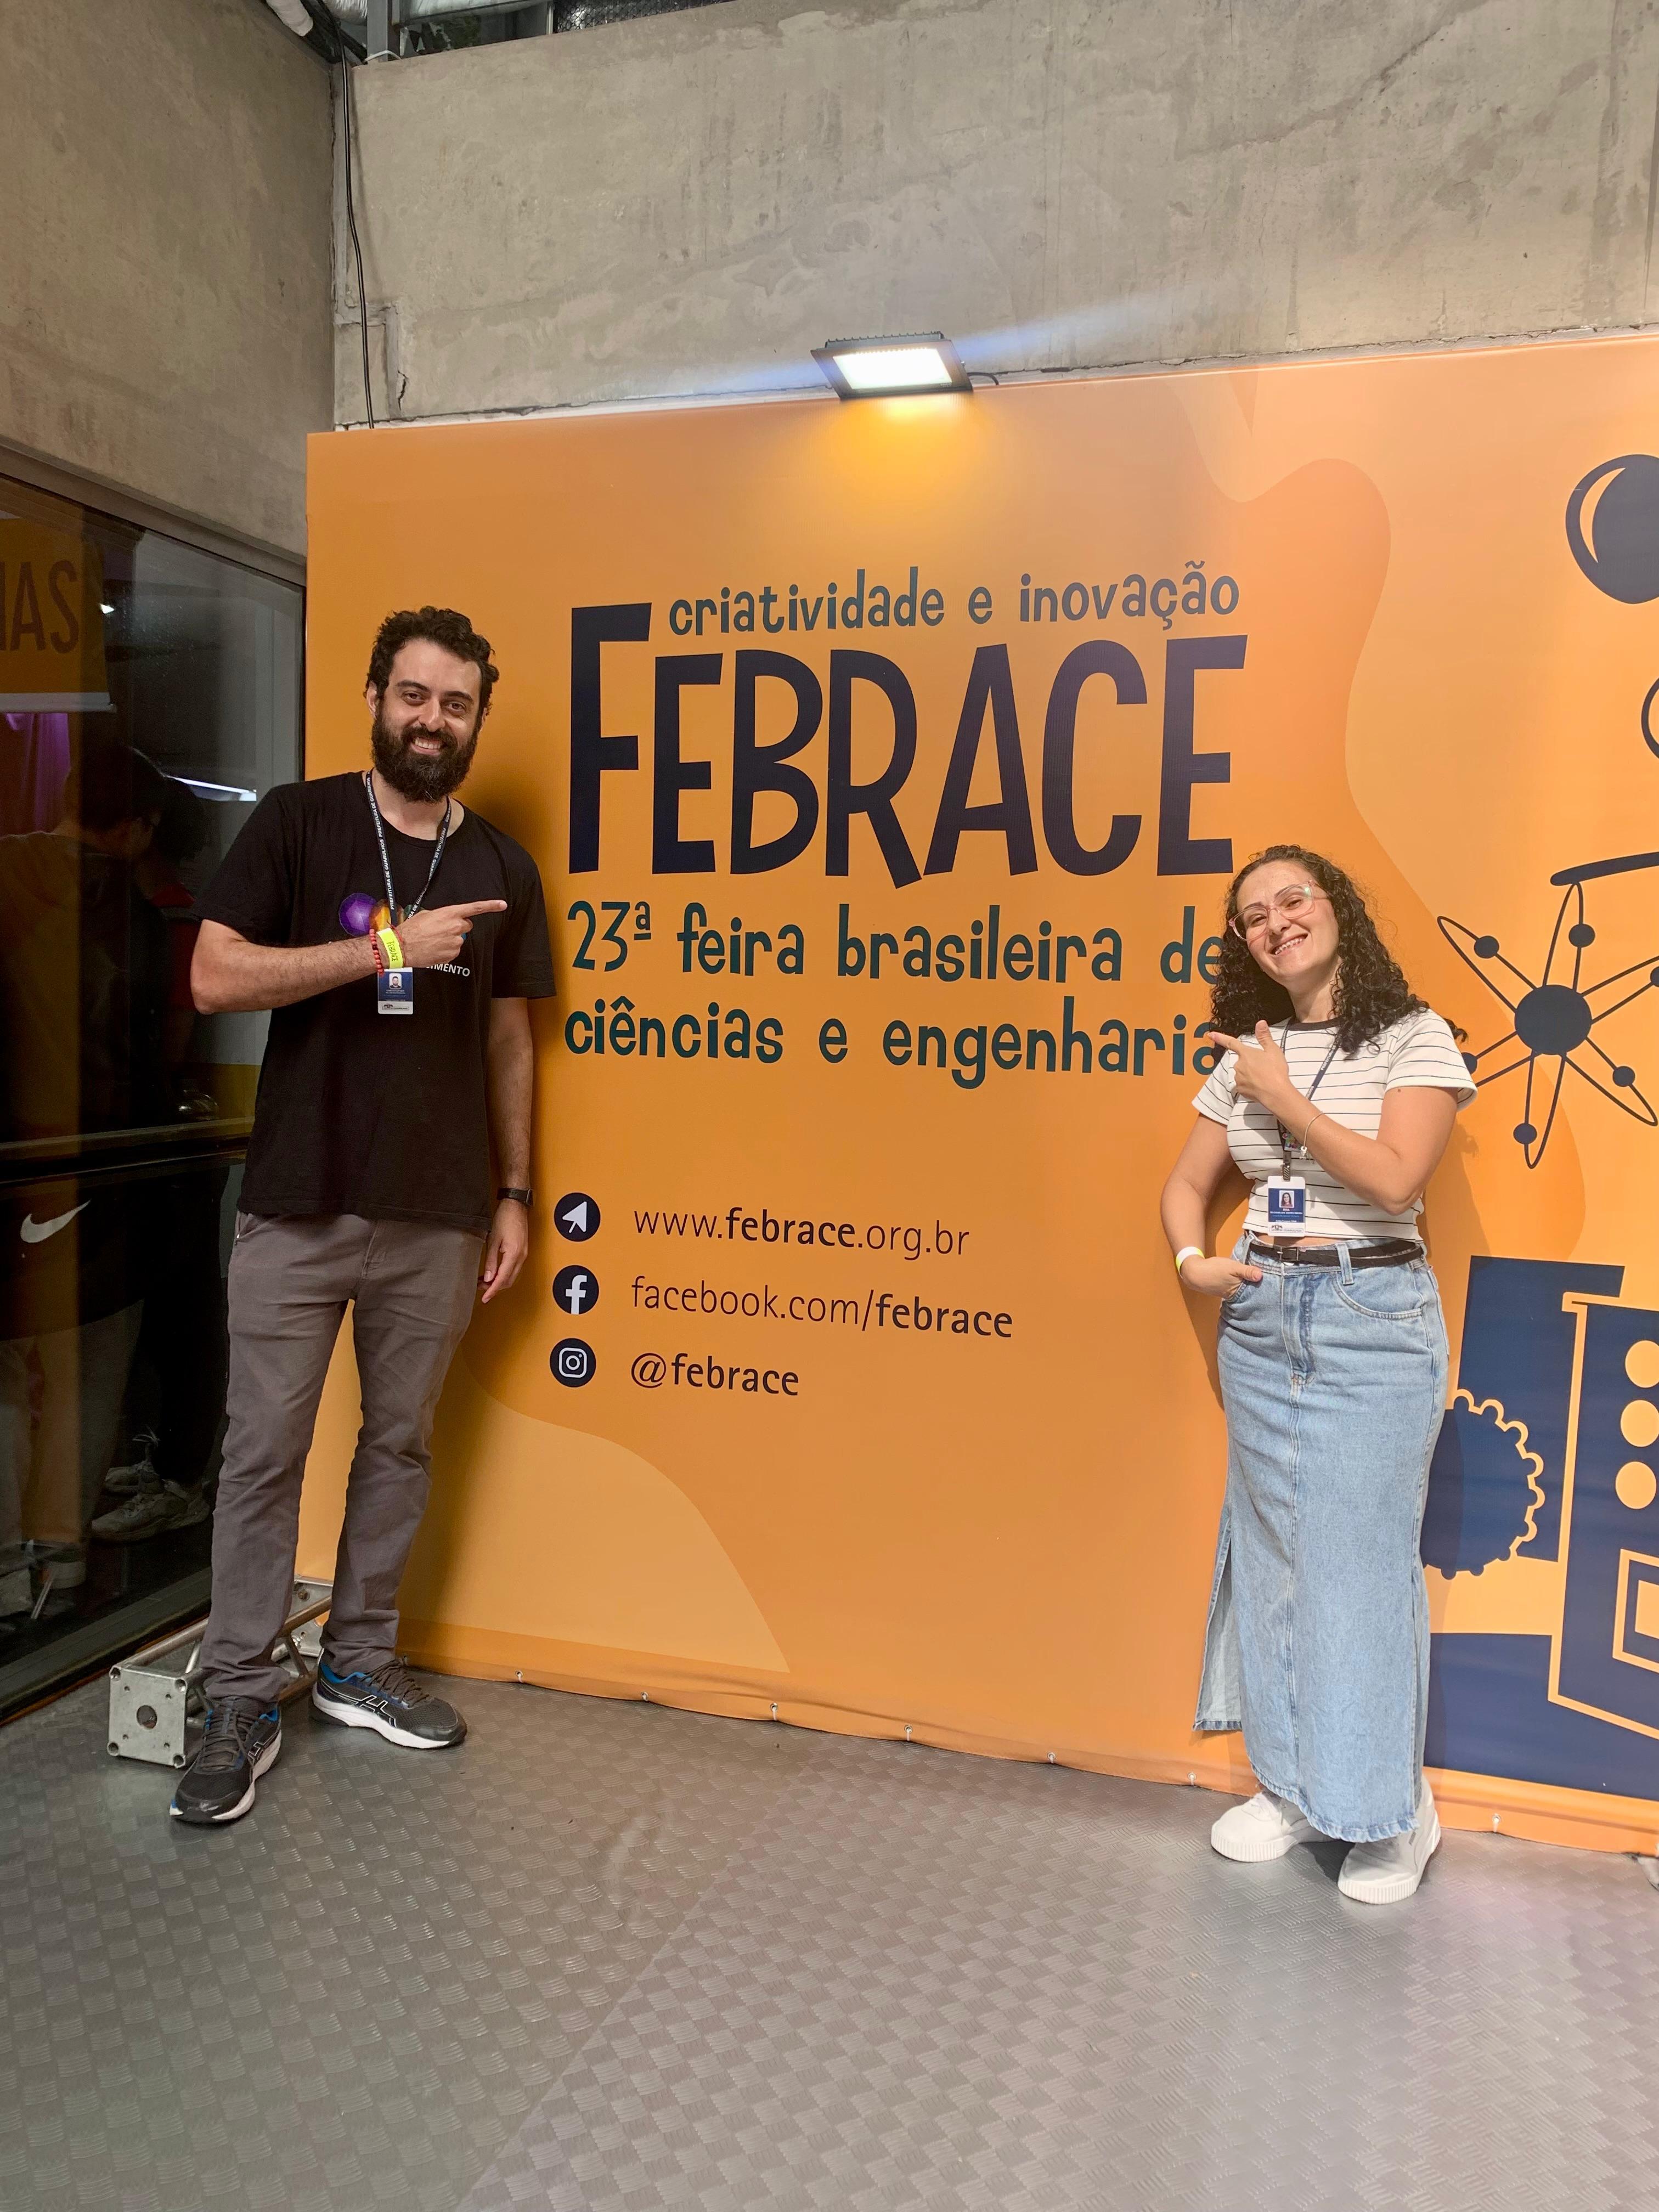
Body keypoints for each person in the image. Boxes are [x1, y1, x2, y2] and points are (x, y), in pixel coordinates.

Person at [169, 606, 554, 1826]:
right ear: (377, 698)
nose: (433, 720)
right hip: (300, 1198)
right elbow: (215, 975)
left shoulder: (503, 867)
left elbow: (510, 1043)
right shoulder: (299, 822)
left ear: (477, 721)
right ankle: (237, 1694)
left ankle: (356, 1663)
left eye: (457, 704)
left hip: (440, 1212)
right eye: (415, 696)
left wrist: (514, 1192)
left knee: (398, 1448)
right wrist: (386, 947)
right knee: (262, 1453)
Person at [1159, 845, 1474, 1905]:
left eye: (1293, 899)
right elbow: (1185, 1185)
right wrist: (1193, 1262)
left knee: (1360, 1569)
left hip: (1369, 1318)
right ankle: (1293, 1790)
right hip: (1262, 1317)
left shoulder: (1414, 1036)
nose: (1277, 923)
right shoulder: (1250, 1052)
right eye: (1254, 916)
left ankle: (1391, 1813)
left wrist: (1283, 1099)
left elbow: (1394, 1180)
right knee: (1276, 1560)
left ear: (1338, 909)